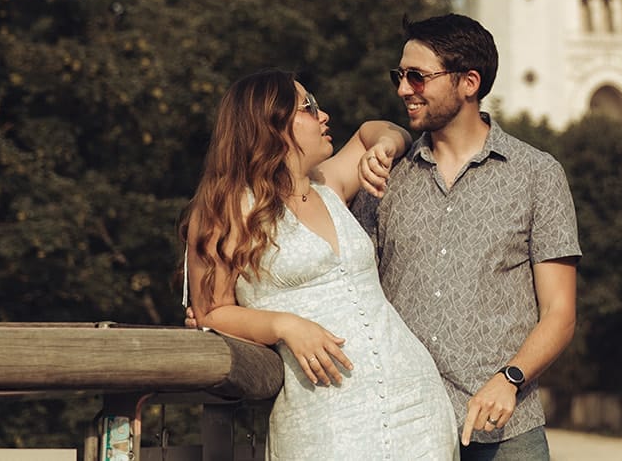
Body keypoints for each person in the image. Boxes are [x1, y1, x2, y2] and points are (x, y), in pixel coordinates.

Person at [181, 68, 458, 460]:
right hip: (323, 415)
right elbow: (211, 311)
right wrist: (284, 325)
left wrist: (384, 147)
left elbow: (378, 131)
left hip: (415, 403)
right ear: (271, 125)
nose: (324, 115)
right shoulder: (224, 210)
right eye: (308, 107)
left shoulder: (328, 186)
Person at [354, 13, 581, 460]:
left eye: (418, 77)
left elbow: (560, 312)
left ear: (469, 82)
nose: (403, 89)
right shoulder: (385, 175)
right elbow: (355, 290)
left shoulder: (538, 175)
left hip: (505, 433)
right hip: (403, 428)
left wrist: (510, 378)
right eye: (400, 76)